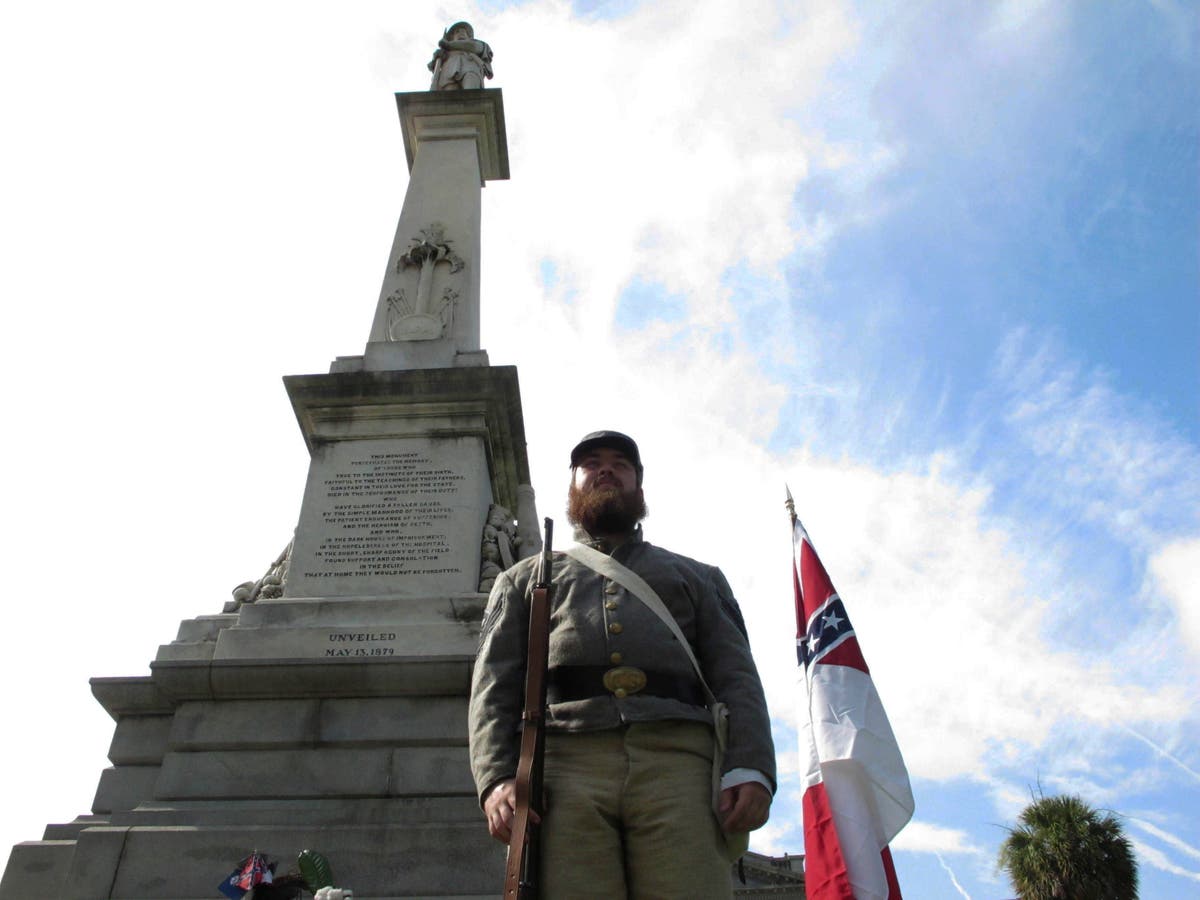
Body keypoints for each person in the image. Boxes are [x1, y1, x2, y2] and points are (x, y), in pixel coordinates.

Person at [469, 430, 776, 898]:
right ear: (573, 483)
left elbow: (736, 676)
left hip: (681, 764)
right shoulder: (522, 581)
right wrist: (496, 778)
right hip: (565, 767)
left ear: (639, 485)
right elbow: (494, 685)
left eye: (621, 464)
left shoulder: (698, 577)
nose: (606, 469)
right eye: (592, 463)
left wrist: (750, 768)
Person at [428, 21, 493, 91]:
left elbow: (474, 47)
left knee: (472, 92)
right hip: (448, 73)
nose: (460, 33)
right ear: (452, 37)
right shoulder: (445, 51)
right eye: (457, 32)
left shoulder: (477, 43)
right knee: (447, 97)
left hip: (470, 68)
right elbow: (432, 67)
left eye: (463, 31)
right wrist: (436, 57)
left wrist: (448, 45)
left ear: (468, 35)